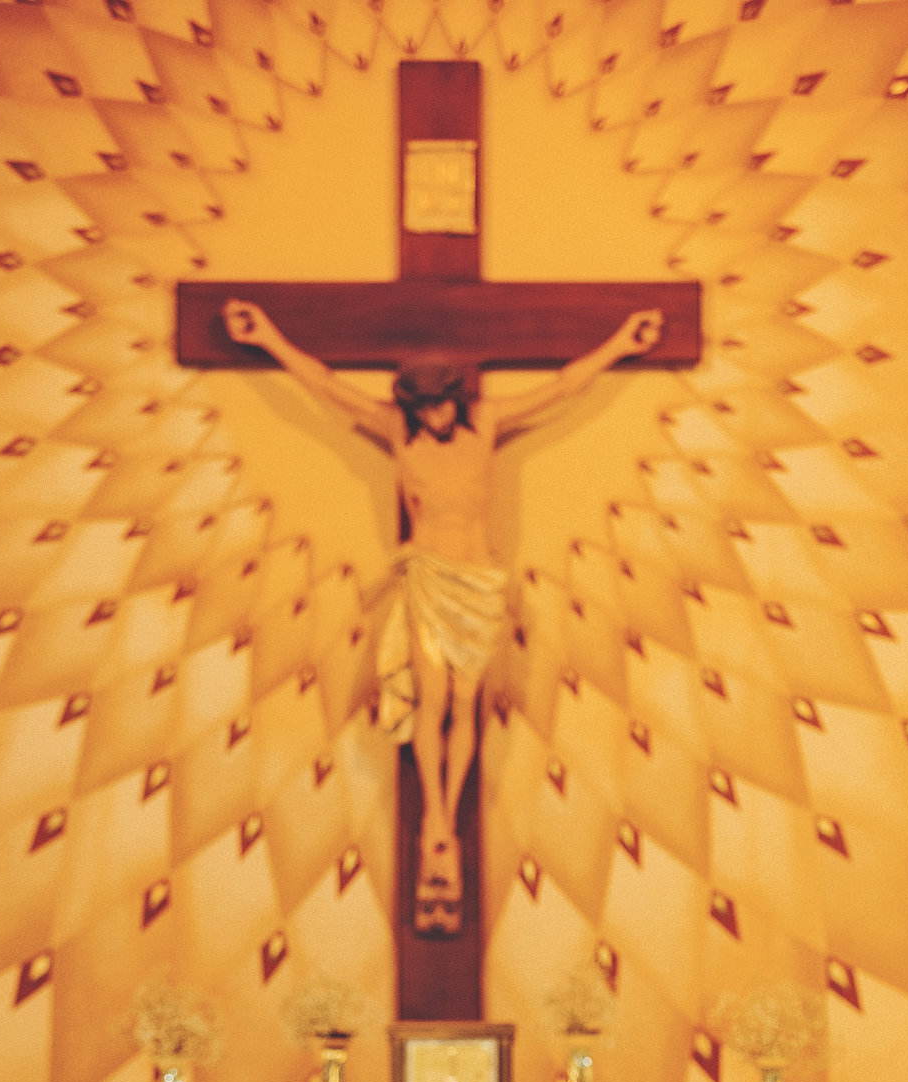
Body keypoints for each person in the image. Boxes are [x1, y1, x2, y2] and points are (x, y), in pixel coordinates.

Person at [222, 299, 663, 934]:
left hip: (480, 580)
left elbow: (562, 387)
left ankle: (447, 807)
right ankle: (437, 812)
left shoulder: (484, 425)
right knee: (431, 697)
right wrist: (268, 337)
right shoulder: (399, 434)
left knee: (469, 699)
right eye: (424, 407)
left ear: (457, 398)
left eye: (442, 403)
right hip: (429, 578)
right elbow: (322, 384)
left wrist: (621, 343)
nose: (434, 415)